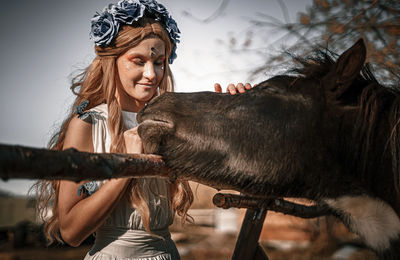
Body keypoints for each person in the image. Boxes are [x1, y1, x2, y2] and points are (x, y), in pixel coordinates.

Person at [34, 0, 251, 259]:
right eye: (138, 60)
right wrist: (127, 167)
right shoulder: (87, 125)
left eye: (159, 62)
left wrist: (238, 122)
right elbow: (71, 232)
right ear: (112, 61)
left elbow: (237, 180)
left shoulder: (173, 124)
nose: (151, 73)